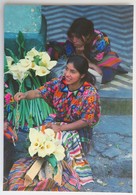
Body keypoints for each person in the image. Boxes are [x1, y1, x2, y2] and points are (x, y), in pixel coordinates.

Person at [7, 55, 101, 191]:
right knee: (39, 136)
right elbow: (39, 92)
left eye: (72, 72)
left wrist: (61, 128)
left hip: (79, 129)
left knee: (59, 144)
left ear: (82, 75)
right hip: (59, 121)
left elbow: (86, 121)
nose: (67, 74)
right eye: (66, 70)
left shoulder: (89, 93)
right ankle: (42, 172)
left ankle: (56, 174)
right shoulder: (59, 83)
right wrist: (25, 95)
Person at [47, 17, 127, 88]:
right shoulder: (71, 40)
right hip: (82, 60)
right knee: (53, 53)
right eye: (72, 36)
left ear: (88, 35)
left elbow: (94, 63)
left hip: (98, 60)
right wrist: (79, 54)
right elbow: (72, 58)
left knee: (105, 75)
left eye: (78, 37)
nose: (74, 40)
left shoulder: (101, 41)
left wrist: (81, 54)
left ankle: (115, 69)